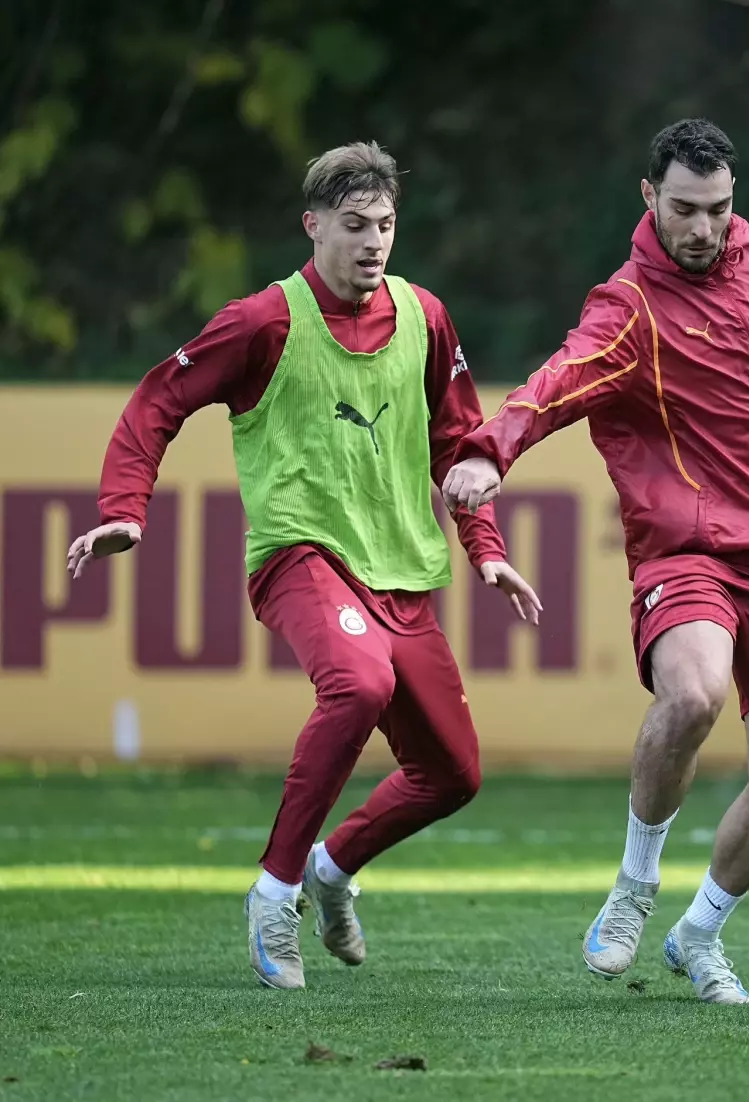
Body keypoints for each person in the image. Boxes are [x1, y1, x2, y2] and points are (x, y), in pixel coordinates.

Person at [66, 141, 542, 988]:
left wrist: (487, 549)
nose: (373, 243)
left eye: (386, 225)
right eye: (354, 225)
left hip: (401, 570)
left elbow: (457, 444)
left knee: (454, 776)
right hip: (299, 553)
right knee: (357, 684)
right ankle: (275, 891)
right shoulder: (263, 322)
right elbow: (156, 402)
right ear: (312, 224)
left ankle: (330, 870)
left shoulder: (426, 316)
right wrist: (123, 512)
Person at [442, 119, 749, 1004]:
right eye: (683, 208)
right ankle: (636, 888)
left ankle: (699, 933)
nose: (702, 227)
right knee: (693, 693)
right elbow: (558, 380)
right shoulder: (629, 304)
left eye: (717, 209)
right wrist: (492, 449)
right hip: (692, 553)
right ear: (649, 198)